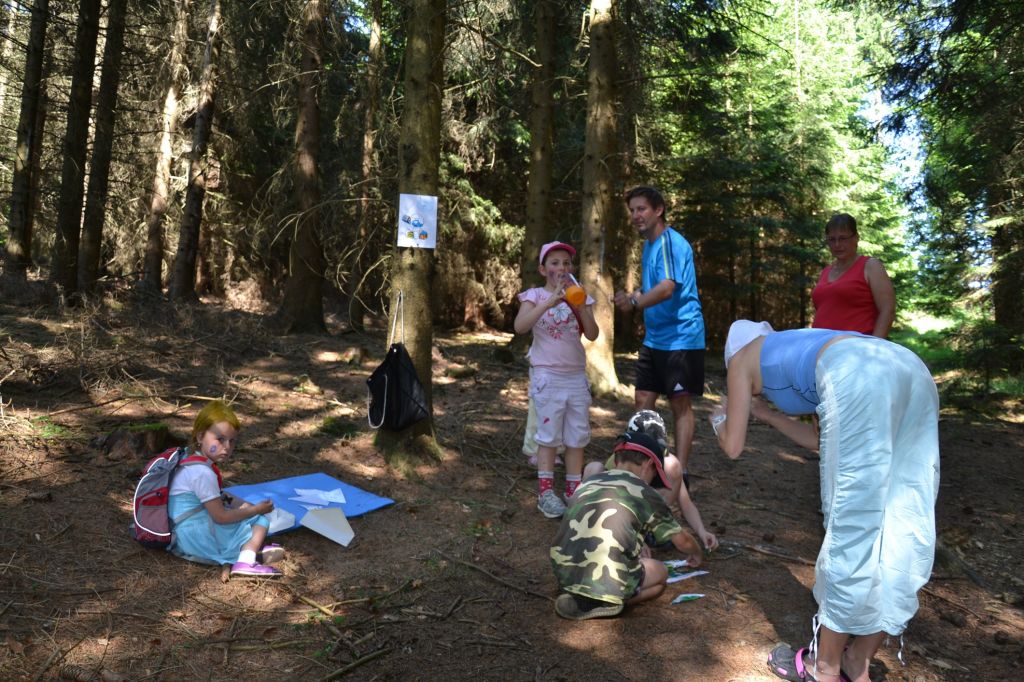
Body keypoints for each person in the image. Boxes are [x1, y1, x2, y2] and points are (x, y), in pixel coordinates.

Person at [710, 320, 939, 682]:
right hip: (910, 369)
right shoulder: (803, 348)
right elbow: (821, 441)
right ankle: (858, 659)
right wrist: (767, 414)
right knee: (903, 516)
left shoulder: (740, 360)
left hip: (857, 373)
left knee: (853, 523)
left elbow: (732, 446)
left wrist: (719, 418)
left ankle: (826, 667)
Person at [551, 431, 704, 620]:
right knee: (660, 575)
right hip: (610, 580)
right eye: (654, 475)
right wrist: (697, 552)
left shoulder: (588, 482)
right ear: (648, 465)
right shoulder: (645, 492)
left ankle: (583, 597)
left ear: (616, 461)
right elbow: (682, 541)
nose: (651, 481)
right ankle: (608, 602)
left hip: (565, 574)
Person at [613, 186, 705, 489]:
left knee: (679, 403)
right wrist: (633, 296)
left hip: (682, 337)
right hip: (655, 339)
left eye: (642, 209)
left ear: (658, 210)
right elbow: (652, 286)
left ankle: (680, 474)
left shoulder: (669, 242)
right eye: (632, 210)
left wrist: (636, 303)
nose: (636, 215)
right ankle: (643, 466)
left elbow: (667, 288)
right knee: (643, 400)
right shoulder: (649, 245)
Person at [514, 241, 599, 519]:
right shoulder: (534, 295)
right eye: (554, 263)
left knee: (577, 436)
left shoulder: (580, 296)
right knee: (548, 437)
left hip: (576, 376)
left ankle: (573, 490)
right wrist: (549, 302)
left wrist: (582, 307)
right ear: (543, 269)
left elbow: (593, 334)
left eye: (566, 263)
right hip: (547, 376)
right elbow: (520, 326)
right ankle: (546, 493)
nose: (561, 268)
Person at [168, 400, 284, 578]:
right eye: (220, 439)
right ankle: (246, 561)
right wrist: (256, 510)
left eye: (232, 441)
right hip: (193, 537)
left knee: (244, 516)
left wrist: (243, 505)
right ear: (200, 437)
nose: (227, 447)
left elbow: (219, 496)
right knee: (260, 521)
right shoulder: (202, 473)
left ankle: (247, 549)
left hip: (184, 529)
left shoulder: (192, 460)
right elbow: (220, 517)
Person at [583, 409, 718, 550]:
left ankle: (651, 530)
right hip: (615, 519)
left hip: (648, 515)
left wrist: (702, 531)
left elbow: (686, 503)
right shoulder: (619, 461)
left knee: (673, 465)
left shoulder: (667, 463)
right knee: (593, 468)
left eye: (657, 451)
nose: (653, 457)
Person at [812, 213, 896, 338]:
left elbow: (887, 310)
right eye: (832, 239)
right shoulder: (826, 271)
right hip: (820, 344)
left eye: (843, 238)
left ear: (856, 238)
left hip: (855, 345)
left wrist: (874, 344)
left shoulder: (870, 266)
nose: (837, 244)